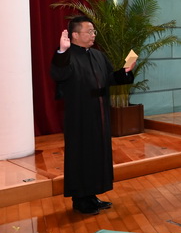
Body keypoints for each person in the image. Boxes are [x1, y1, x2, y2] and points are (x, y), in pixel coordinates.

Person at [51, 16, 136, 215]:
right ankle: (80, 199)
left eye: (93, 31)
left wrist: (124, 72)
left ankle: (92, 194)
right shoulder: (67, 56)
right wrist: (62, 51)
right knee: (82, 154)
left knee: (97, 153)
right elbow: (58, 75)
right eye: (89, 31)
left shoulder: (98, 55)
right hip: (80, 114)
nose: (93, 35)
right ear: (75, 35)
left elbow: (109, 79)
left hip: (100, 113)